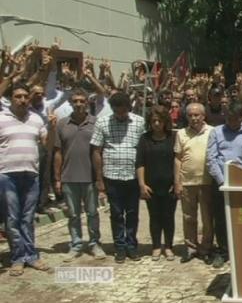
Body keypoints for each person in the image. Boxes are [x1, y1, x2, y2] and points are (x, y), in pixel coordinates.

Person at [0, 83, 53, 276]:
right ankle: (17, 258)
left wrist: (52, 128)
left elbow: (47, 145)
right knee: (12, 218)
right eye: (18, 97)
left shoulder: (36, 119)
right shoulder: (1, 118)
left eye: (25, 97)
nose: (22, 100)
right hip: (7, 175)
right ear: (11, 99)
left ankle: (31, 256)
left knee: (28, 218)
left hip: (31, 175)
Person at [91, 92, 145, 263]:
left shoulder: (139, 122)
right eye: (117, 112)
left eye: (123, 112)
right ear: (112, 109)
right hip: (112, 176)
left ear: (128, 108)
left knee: (132, 213)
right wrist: (99, 179)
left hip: (133, 176)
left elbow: (143, 150)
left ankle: (131, 245)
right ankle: (119, 246)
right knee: (116, 213)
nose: (120, 115)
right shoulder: (102, 122)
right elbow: (96, 151)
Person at [53, 89, 106, 262]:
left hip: (90, 177)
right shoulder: (62, 124)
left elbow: (101, 151)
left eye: (82, 101)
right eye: (75, 101)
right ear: (70, 103)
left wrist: (100, 179)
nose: (78, 104)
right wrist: (57, 178)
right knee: (73, 215)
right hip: (69, 177)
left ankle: (94, 243)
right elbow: (58, 153)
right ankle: (75, 244)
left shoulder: (96, 123)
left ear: (86, 102)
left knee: (92, 213)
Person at [206, 100, 242, 268]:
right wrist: (222, 182)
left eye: (235, 119)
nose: (231, 123)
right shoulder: (216, 132)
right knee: (221, 219)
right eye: (228, 119)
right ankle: (223, 251)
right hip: (221, 183)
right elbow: (211, 159)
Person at [174, 103, 215, 264]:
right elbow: (177, 159)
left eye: (197, 115)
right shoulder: (181, 133)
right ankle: (190, 247)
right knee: (188, 217)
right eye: (190, 115)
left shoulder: (212, 131)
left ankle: (206, 247)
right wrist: (177, 182)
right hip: (187, 182)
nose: (194, 118)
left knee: (207, 218)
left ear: (203, 116)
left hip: (206, 182)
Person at [136, 105, 177, 261]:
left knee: (168, 216)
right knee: (154, 217)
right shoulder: (144, 139)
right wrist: (141, 184)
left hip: (169, 185)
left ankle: (168, 246)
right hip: (151, 185)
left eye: (160, 121)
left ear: (165, 121)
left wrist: (177, 182)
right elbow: (140, 162)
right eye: (154, 121)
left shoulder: (173, 137)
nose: (157, 124)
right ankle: (156, 246)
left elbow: (177, 161)